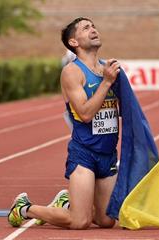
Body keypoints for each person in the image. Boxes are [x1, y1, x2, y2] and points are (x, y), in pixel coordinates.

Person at [8, 17, 121, 229]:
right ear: (73, 42)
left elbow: (123, 110)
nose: (93, 29)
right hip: (84, 152)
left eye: (93, 26)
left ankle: (66, 203)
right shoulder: (72, 72)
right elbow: (85, 114)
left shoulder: (108, 68)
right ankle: (24, 207)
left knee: (106, 221)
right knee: (80, 222)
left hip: (108, 152)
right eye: (86, 28)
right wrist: (106, 82)